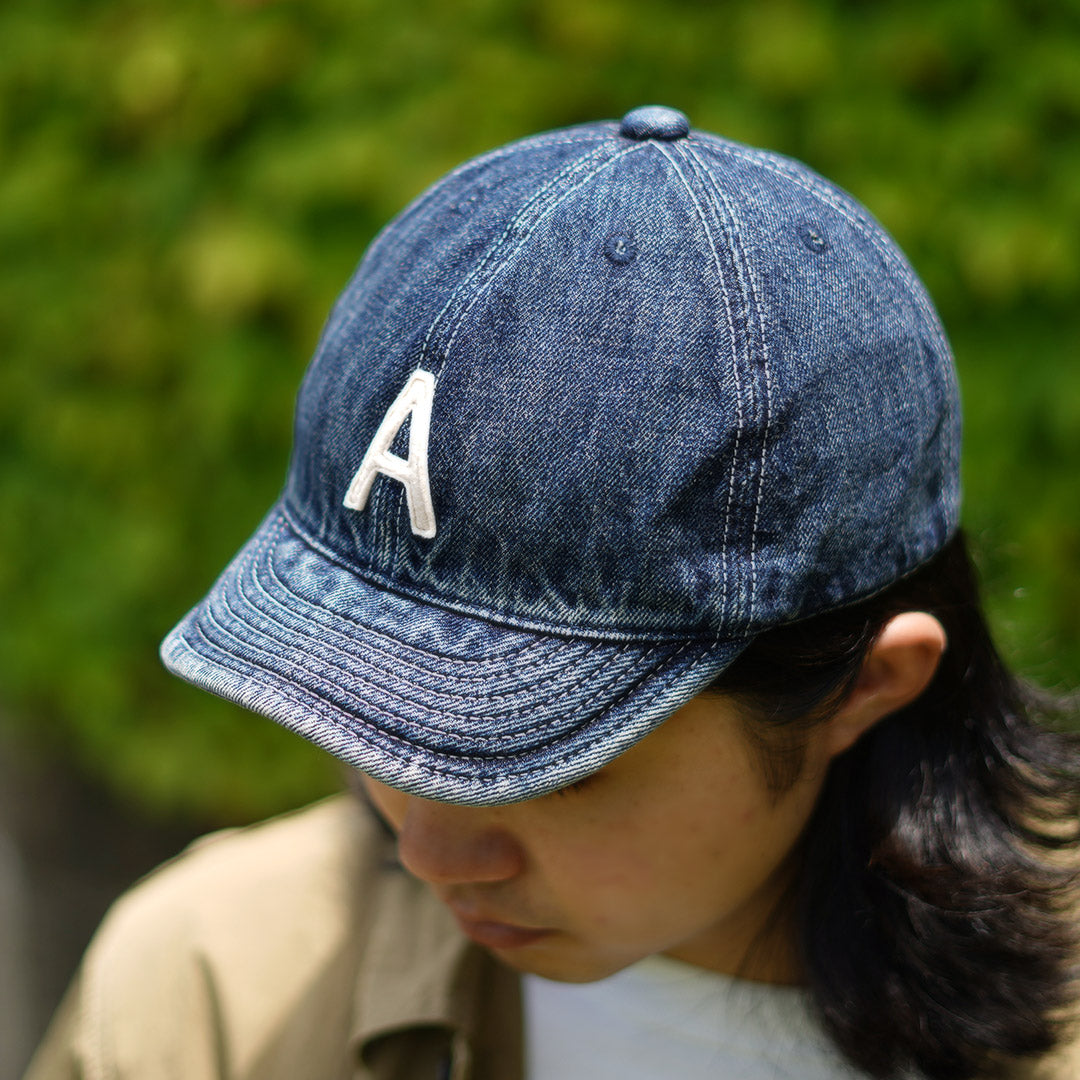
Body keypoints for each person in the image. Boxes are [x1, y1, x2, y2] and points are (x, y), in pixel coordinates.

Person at [24, 106, 1080, 1080]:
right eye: (378, 708)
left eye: (558, 761)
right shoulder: (209, 993)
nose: (427, 846)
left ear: (867, 687)